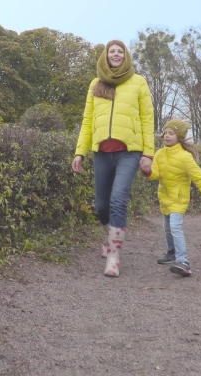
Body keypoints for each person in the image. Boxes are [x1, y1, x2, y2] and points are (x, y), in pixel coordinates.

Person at [72, 40, 155, 277]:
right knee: (101, 207)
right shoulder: (96, 83)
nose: (116, 55)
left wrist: (148, 154)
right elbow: (88, 120)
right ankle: (109, 238)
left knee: (118, 199)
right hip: (101, 153)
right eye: (112, 51)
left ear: (126, 56)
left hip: (129, 152)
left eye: (120, 51)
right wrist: (80, 152)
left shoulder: (138, 82)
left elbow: (148, 120)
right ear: (106, 56)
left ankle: (114, 256)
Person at [144, 119, 201, 277]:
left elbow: (199, 177)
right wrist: (147, 171)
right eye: (166, 133)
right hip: (165, 197)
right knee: (168, 227)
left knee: (175, 227)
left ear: (180, 137)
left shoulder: (185, 157)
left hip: (179, 199)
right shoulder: (159, 154)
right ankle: (171, 253)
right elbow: (155, 174)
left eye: (171, 133)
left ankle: (183, 262)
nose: (167, 136)